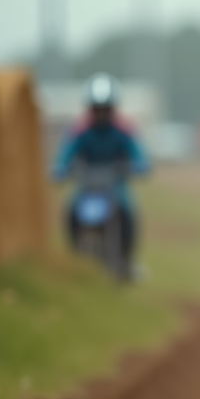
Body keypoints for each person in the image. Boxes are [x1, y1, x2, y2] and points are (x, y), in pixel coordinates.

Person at [52, 73, 151, 274]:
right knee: (71, 211)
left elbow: (137, 152)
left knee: (128, 212)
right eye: (97, 109)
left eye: (106, 109)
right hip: (87, 184)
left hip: (115, 184)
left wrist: (140, 165)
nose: (101, 114)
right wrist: (60, 168)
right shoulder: (80, 128)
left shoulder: (123, 128)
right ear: (90, 108)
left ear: (113, 108)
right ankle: (75, 256)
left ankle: (126, 260)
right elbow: (66, 152)